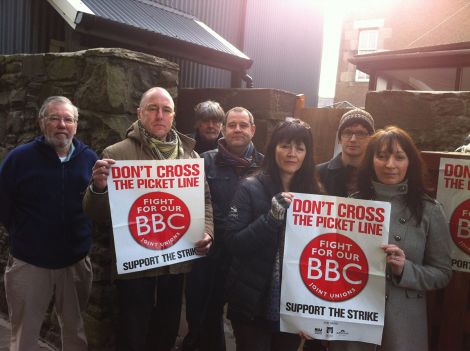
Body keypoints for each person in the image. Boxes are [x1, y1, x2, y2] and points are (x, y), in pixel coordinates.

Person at [82, 87, 214, 351]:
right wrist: (98, 188)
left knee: (165, 333)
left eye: (166, 110)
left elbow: (205, 201)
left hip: (175, 266)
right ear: (140, 113)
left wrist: (208, 231)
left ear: (173, 116)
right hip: (136, 267)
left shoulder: (190, 157)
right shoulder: (116, 154)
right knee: (132, 335)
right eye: (152, 108)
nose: (159, 115)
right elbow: (96, 214)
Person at [329, 126, 452, 351]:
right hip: (354, 317)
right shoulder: (352, 204)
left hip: (404, 324)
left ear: (410, 162)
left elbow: (442, 274)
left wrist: (405, 269)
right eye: (382, 156)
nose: (390, 165)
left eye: (399, 157)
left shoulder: (429, 211)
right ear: (371, 161)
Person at [0, 96, 98, 351]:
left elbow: (97, 206)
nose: (61, 124)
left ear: (76, 125)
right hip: (30, 263)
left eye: (68, 119)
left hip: (75, 262)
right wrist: (25, 235)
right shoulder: (19, 159)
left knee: (75, 332)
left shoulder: (90, 159)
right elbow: (4, 206)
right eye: (54, 118)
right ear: (42, 123)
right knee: (24, 335)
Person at [224, 119, 322, 351]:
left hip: (293, 305)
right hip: (251, 303)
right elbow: (233, 243)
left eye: (300, 148)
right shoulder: (249, 187)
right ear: (273, 148)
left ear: (307, 155)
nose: (292, 154)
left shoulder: (316, 194)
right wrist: (271, 218)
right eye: (285, 146)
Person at [183, 107, 264, 351]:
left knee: (248, 320)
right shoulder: (203, 161)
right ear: (223, 129)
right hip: (211, 254)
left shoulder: (266, 165)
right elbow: (192, 203)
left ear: (253, 129)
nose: (237, 129)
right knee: (204, 315)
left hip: (250, 256)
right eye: (232, 125)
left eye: (243, 124)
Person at [316, 108, 374, 197]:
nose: (353, 139)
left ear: (371, 138)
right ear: (339, 138)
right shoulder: (318, 174)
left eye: (361, 133)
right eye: (347, 132)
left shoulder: (377, 175)